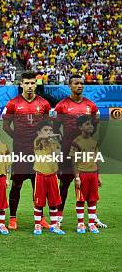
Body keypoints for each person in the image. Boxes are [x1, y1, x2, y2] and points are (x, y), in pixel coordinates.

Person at [3, 71, 51, 230]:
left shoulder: (44, 104)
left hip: (39, 152)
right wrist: (16, 137)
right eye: (27, 83)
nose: (30, 86)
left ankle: (41, 217)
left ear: (36, 85)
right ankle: (12, 219)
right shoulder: (13, 104)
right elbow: (5, 126)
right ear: (21, 84)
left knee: (38, 185)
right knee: (16, 184)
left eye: (33, 83)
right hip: (21, 151)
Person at [52, 74, 102, 227]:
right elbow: (55, 127)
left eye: (81, 83)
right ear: (70, 86)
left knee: (88, 185)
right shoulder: (62, 105)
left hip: (85, 152)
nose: (79, 86)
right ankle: (58, 217)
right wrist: (63, 141)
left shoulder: (91, 106)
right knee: (65, 184)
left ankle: (92, 217)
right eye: (76, 83)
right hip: (68, 151)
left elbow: (96, 123)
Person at [70, 116, 102, 234]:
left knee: (93, 200)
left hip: (93, 175)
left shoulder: (94, 142)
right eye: (87, 124)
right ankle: (80, 224)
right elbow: (74, 161)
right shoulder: (76, 142)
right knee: (80, 200)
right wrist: (77, 177)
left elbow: (97, 159)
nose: (91, 126)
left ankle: (92, 224)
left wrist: (98, 175)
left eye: (92, 124)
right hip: (82, 175)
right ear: (80, 127)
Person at [32, 120, 65, 235]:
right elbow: (40, 138)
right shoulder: (37, 142)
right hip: (40, 175)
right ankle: (37, 225)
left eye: (50, 130)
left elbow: (57, 157)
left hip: (53, 176)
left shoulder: (54, 144)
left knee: (54, 202)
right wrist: (52, 135)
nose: (49, 132)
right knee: (39, 202)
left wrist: (55, 144)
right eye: (45, 130)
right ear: (38, 132)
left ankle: (54, 225)